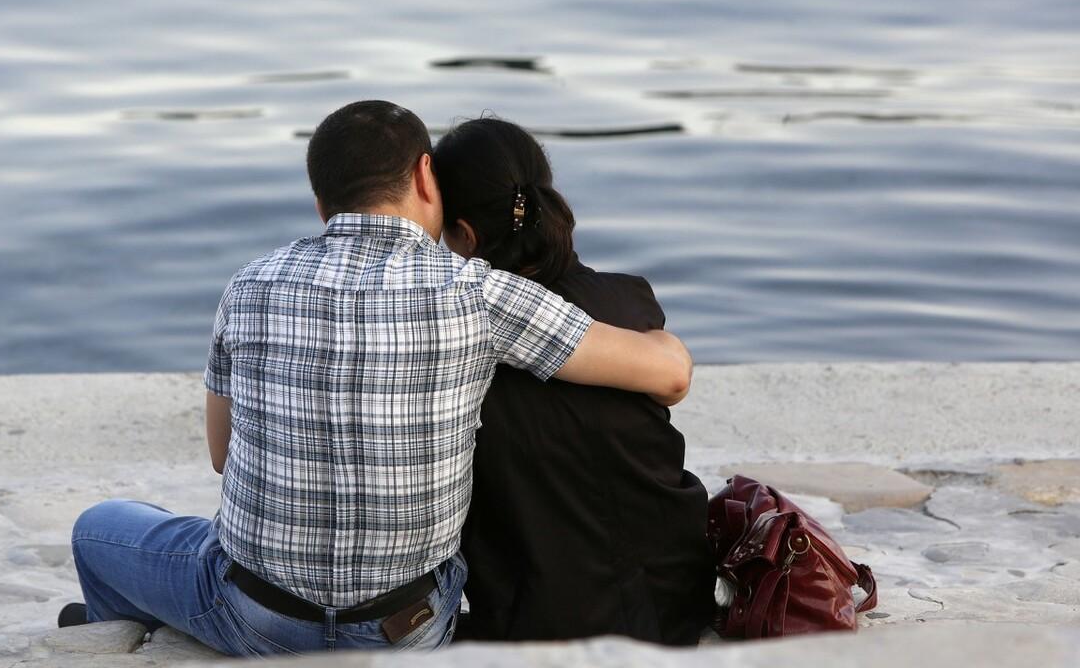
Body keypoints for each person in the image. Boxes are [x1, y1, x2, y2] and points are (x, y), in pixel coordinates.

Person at [63, 100, 695, 656]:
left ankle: (109, 632)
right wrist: (661, 336)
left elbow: (223, 455)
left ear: (321, 202)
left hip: (257, 621)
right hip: (409, 629)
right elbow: (669, 375)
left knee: (98, 529)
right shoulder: (479, 294)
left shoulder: (250, 283)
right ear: (426, 175)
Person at [433, 116, 716, 645]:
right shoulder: (629, 301)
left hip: (537, 622)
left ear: (465, 234)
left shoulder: (456, 334)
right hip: (674, 601)